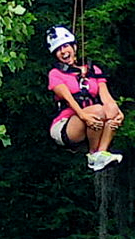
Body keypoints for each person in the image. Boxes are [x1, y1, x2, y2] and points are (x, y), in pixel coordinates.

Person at [46, 25, 125, 172]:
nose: (63, 52)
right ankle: (93, 154)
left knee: (111, 109)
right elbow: (69, 99)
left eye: (66, 46)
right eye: (58, 50)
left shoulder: (93, 70)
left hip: (92, 120)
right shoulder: (55, 74)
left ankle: (101, 153)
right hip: (65, 125)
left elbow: (106, 97)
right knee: (98, 110)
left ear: (74, 47)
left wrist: (119, 114)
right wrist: (84, 116)